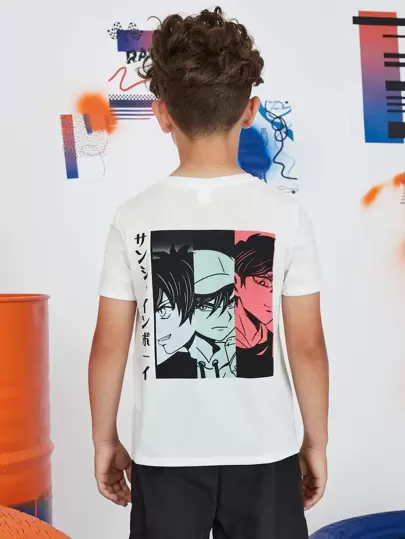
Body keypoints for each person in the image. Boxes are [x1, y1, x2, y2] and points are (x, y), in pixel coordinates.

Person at [89, 6, 329, 539]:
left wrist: (104, 439)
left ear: (161, 114)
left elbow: (108, 345)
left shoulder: (133, 217)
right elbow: (308, 347)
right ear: (250, 111)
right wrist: (315, 442)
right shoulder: (286, 215)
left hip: (165, 456)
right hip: (265, 454)